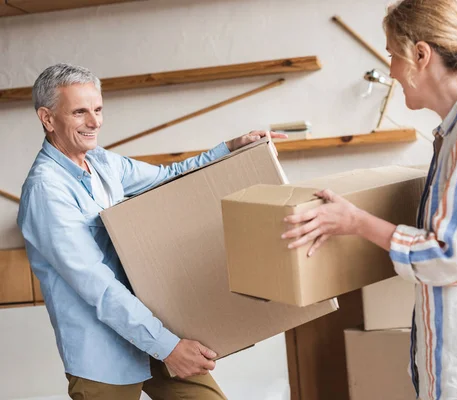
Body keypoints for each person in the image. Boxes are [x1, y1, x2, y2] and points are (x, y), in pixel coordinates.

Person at [282, 1, 457, 399]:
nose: (392, 71)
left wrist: (355, 222)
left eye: (391, 55)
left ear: (421, 54)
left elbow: (449, 256)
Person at [17, 63, 285, 400]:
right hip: (104, 355)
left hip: (152, 330)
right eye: (80, 112)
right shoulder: (46, 191)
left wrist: (231, 147)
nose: (95, 122)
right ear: (48, 118)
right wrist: (169, 347)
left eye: (98, 109)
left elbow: (167, 176)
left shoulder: (101, 162)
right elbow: (98, 286)